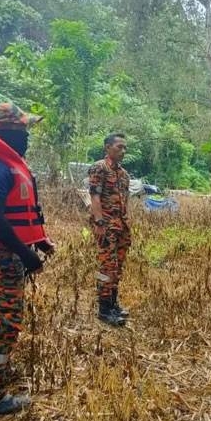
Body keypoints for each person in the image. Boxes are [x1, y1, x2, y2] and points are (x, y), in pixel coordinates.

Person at [0, 102, 55, 417]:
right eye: (24, 131)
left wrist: (39, 243)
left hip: (6, 257)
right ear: (7, 132)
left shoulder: (8, 165)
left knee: (5, 322)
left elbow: (15, 218)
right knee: (0, 323)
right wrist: (25, 254)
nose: (28, 139)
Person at [86, 133, 131, 326]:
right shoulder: (99, 168)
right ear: (107, 147)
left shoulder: (123, 174)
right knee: (106, 267)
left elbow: (125, 201)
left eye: (124, 148)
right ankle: (104, 309)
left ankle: (113, 304)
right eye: (119, 147)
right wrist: (99, 223)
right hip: (106, 225)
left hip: (121, 226)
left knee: (117, 266)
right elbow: (94, 196)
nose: (123, 151)